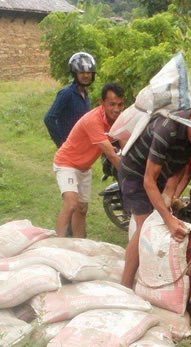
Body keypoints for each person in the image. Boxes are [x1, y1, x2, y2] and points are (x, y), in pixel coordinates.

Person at [119, 108, 191, 288]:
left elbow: (182, 164)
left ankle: (148, 278)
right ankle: (126, 286)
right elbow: (148, 180)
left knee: (157, 220)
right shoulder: (166, 131)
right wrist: (168, 219)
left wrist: (169, 193)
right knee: (144, 227)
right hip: (135, 173)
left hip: (159, 174)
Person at [53, 82, 125, 238]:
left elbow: (124, 146)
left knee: (82, 209)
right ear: (102, 103)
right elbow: (112, 155)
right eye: (112, 104)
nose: (117, 109)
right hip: (67, 163)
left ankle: (80, 245)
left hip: (84, 167)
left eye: (120, 104)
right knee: (71, 204)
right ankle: (57, 245)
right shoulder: (93, 120)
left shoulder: (119, 120)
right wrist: (133, 178)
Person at [44, 52, 96, 148]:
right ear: (75, 74)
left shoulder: (85, 94)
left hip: (81, 147)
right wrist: (62, 144)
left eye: (88, 72)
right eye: (82, 72)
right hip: (69, 148)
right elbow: (49, 118)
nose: (86, 76)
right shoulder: (67, 93)